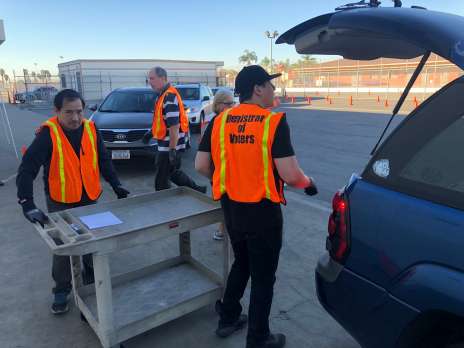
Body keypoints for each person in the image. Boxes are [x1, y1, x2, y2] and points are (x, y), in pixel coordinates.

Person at [195, 65, 318, 348]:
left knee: (243, 261)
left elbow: (202, 166)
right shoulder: (272, 122)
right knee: (263, 276)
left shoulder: (219, 122)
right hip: (263, 213)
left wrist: (230, 180)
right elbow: (290, 175)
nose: (274, 90)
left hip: (232, 210)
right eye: (270, 85)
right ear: (258, 89)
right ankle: (259, 337)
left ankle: (228, 317)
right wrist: (309, 182)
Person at [16, 89, 130, 315]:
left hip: (89, 196)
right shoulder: (48, 135)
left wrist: (116, 185)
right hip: (61, 201)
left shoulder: (90, 128)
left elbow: (103, 159)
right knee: (64, 247)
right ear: (56, 111)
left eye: (79, 111)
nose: (75, 118)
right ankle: (61, 288)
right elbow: (27, 169)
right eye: (69, 112)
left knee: (92, 237)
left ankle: (89, 271)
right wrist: (27, 203)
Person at [143, 67, 207, 193]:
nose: (149, 81)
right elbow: (162, 121)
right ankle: (197, 189)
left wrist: (172, 150)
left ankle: (163, 204)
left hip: (168, 146)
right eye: (148, 79)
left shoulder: (169, 96)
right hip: (166, 144)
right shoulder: (162, 96)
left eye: (152, 78)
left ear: (162, 78)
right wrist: (150, 133)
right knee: (171, 172)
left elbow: (174, 126)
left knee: (161, 181)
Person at [207, 88, 235, 240]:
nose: (232, 107)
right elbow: (201, 163)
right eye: (229, 103)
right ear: (218, 105)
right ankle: (222, 230)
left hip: (226, 173)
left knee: (228, 207)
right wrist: (214, 176)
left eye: (233, 103)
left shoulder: (227, 120)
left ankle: (223, 230)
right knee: (226, 207)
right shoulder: (216, 123)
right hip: (221, 174)